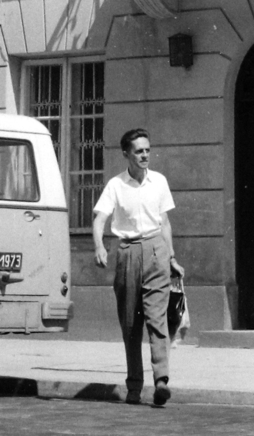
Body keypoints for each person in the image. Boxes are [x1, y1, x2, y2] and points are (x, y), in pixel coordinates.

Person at [92, 128, 183, 406]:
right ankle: (134, 386)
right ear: (126, 155)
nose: (145, 155)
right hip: (128, 253)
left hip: (157, 250)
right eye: (139, 151)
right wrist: (98, 245)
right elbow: (99, 219)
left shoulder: (159, 181)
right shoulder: (116, 185)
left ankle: (161, 381)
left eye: (147, 150)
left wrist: (172, 257)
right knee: (131, 324)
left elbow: (164, 223)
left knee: (157, 319)